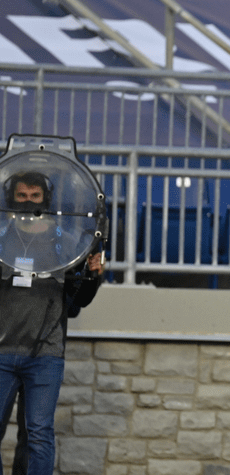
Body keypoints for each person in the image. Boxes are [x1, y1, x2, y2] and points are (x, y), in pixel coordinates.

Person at [0, 170, 105, 475]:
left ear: (45, 198)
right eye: (22, 196)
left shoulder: (67, 242)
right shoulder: (2, 237)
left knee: (38, 435)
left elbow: (76, 302)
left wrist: (93, 278)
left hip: (45, 354)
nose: (28, 201)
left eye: (35, 195)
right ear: (10, 198)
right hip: (3, 351)